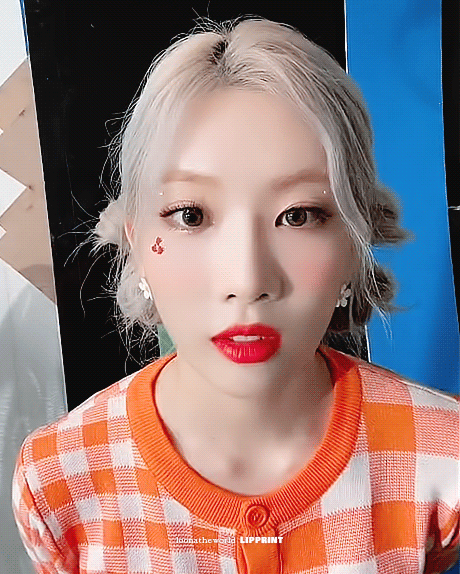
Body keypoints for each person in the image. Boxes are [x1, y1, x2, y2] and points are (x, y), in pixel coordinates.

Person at [12, 16, 459, 574]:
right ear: (137, 240)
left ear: (356, 239)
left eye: (299, 215)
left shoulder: (444, 456)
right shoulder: (59, 480)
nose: (247, 281)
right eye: (190, 215)